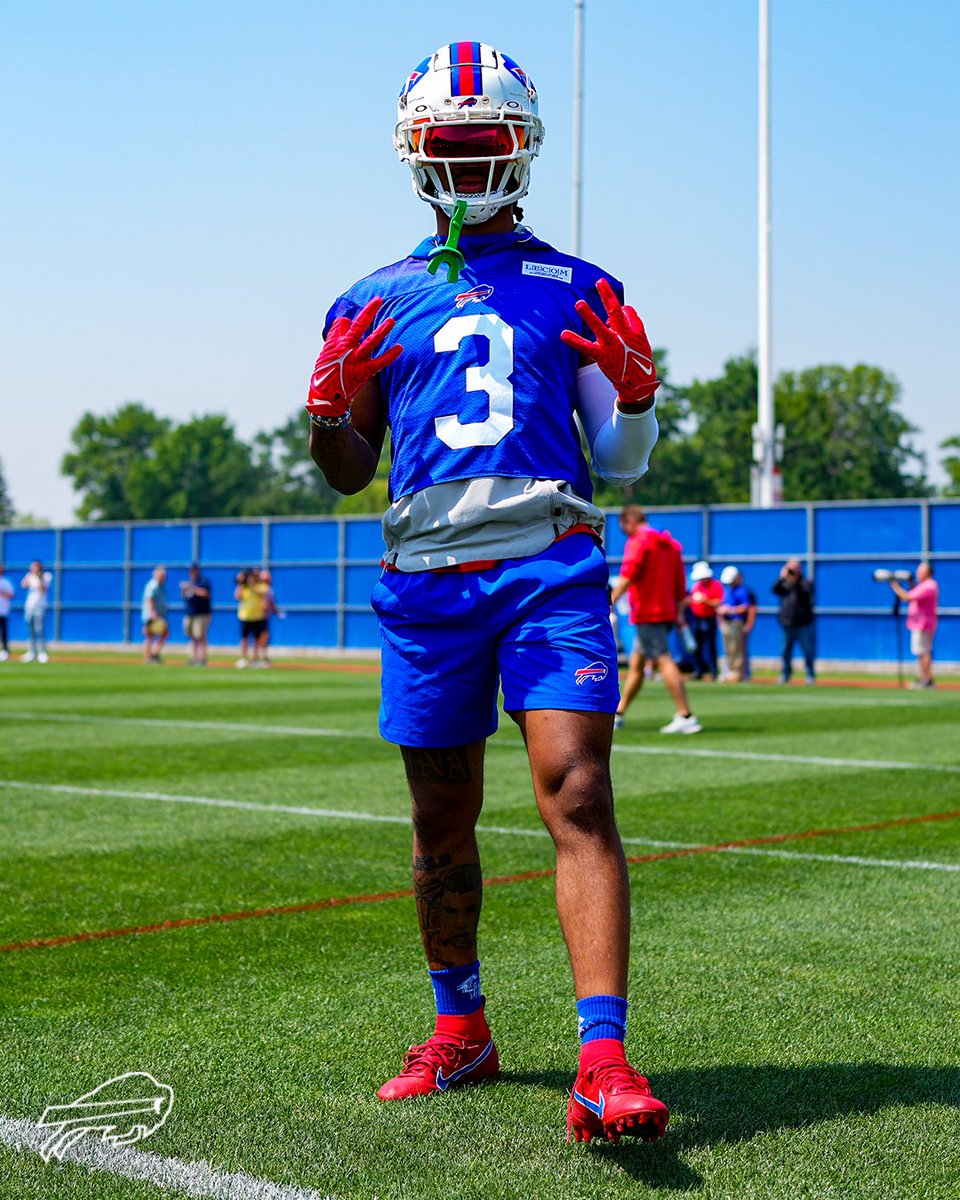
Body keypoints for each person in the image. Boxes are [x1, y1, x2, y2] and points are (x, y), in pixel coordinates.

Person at [304, 42, 669, 1144]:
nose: (468, 163)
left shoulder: (582, 286)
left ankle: (603, 1058)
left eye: (484, 142)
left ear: (522, 146)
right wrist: (326, 412)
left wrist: (640, 400)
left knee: (579, 791)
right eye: (450, 145)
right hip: (424, 576)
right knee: (439, 816)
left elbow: (622, 463)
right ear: (418, 155)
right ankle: (460, 1027)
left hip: (546, 563)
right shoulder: (371, 297)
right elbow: (348, 470)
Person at [609, 507, 701, 734]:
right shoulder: (671, 545)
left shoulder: (639, 541)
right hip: (667, 611)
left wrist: (607, 602)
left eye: (625, 529)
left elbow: (627, 575)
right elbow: (680, 584)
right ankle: (618, 714)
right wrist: (678, 611)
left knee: (663, 659)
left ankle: (686, 715)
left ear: (630, 520)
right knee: (637, 666)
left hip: (648, 612)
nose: (626, 534)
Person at [889, 563, 939, 688]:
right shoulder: (927, 585)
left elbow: (907, 596)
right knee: (921, 652)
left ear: (927, 573)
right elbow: (915, 593)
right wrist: (910, 582)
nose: (917, 574)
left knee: (923, 652)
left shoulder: (929, 585)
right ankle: (924, 678)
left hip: (922, 624)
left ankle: (926, 680)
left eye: (920, 571)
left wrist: (893, 584)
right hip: (921, 623)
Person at [773, 559, 816, 684]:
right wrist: (782, 578)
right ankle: (786, 674)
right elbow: (775, 590)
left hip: (803, 623)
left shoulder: (805, 582)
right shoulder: (784, 583)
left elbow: (807, 593)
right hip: (787, 623)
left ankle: (810, 675)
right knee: (786, 651)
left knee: (807, 650)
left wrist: (796, 581)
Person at [687, 561, 722, 680]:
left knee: (711, 645)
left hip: (709, 618)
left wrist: (706, 601)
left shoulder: (716, 585)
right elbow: (691, 600)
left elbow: (718, 602)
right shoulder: (696, 586)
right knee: (696, 646)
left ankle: (713, 672)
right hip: (697, 618)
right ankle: (698, 671)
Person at [718, 565, 751, 682]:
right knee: (728, 649)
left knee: (737, 648)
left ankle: (738, 673)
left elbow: (746, 607)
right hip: (727, 622)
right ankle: (729, 671)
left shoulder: (742, 591)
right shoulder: (728, 591)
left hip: (736, 622)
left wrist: (731, 610)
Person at [180, 563, 213, 666]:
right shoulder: (189, 583)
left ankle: (202, 658)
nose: (192, 573)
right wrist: (183, 590)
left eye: (194, 571)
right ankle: (193, 658)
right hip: (190, 613)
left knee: (200, 636)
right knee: (192, 637)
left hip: (201, 613)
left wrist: (192, 588)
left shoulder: (203, 582)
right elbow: (185, 598)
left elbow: (206, 594)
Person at [21, 560, 52, 663]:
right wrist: (30, 575)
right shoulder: (30, 576)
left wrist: (39, 577)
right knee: (30, 630)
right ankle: (32, 652)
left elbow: (44, 590)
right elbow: (23, 585)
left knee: (39, 630)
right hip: (29, 606)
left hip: (40, 606)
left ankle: (43, 652)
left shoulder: (46, 576)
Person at [234, 569, 267, 668]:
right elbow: (237, 597)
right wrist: (240, 584)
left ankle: (255, 659)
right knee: (244, 638)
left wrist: (252, 584)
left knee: (256, 639)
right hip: (244, 616)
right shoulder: (244, 588)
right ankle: (243, 658)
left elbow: (261, 593)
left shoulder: (261, 586)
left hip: (257, 616)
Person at [141, 566, 169, 663]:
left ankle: (154, 655)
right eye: (162, 575)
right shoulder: (153, 585)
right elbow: (149, 599)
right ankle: (149, 657)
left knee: (164, 634)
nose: (164, 577)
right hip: (152, 616)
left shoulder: (161, 585)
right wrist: (153, 613)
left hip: (159, 615)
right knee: (150, 636)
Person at [256, 569, 284, 666]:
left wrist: (278, 612)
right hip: (258, 616)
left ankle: (263, 657)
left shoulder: (268, 589)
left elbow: (272, 603)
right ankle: (259, 658)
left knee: (264, 637)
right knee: (260, 637)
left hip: (264, 617)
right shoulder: (260, 588)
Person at [0, 564, 13, 661]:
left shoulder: (6, 582)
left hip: (3, 611)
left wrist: (1, 591)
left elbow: (11, 594)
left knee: (4, 632)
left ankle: (5, 651)